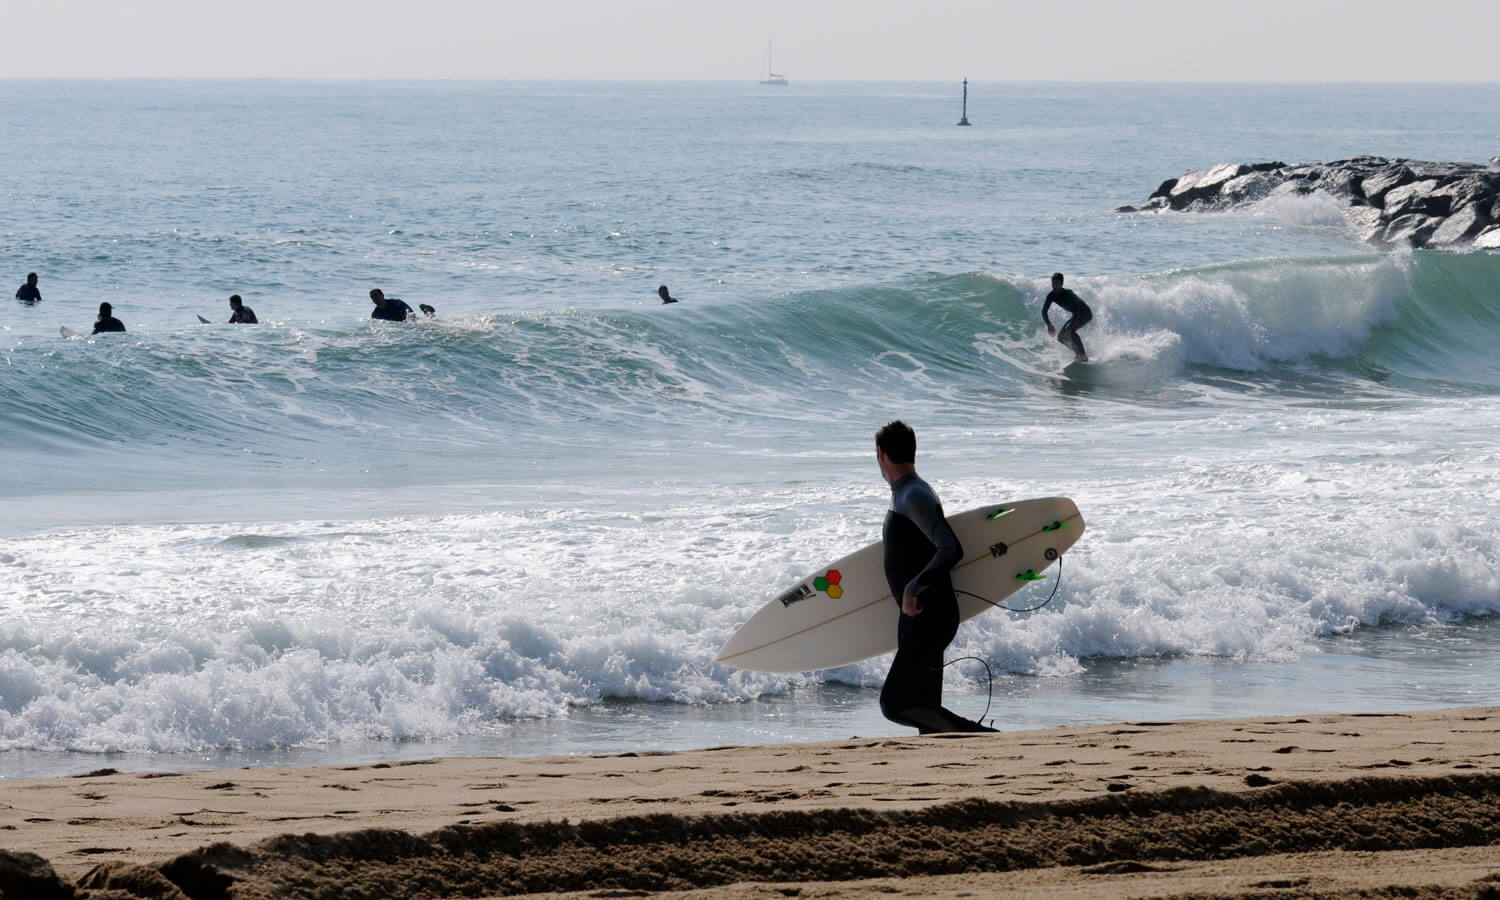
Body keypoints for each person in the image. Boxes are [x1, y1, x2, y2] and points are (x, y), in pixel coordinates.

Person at [874, 420, 997, 735]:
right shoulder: (907, 492)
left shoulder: (914, 494)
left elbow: (951, 548)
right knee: (925, 709)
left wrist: (913, 587)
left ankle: (977, 735)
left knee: (895, 703)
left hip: (930, 616)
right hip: (922, 617)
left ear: (881, 455)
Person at [1041, 272, 1092, 362]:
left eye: (1056, 283)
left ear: (1061, 284)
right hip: (1076, 314)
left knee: (1071, 331)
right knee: (1061, 337)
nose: (1054, 286)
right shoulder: (1051, 295)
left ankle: (1083, 355)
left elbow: (1077, 312)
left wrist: (1069, 329)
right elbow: (1044, 311)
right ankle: (1077, 353)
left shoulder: (1069, 294)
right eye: (1052, 283)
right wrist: (1049, 324)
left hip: (1085, 314)